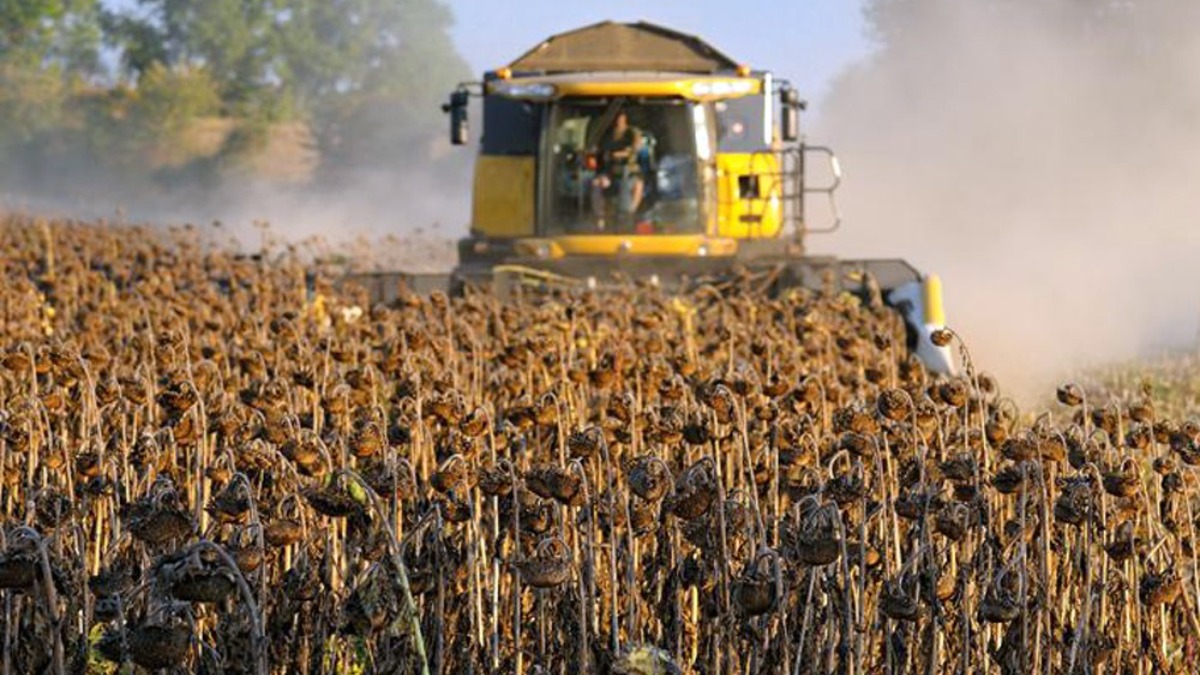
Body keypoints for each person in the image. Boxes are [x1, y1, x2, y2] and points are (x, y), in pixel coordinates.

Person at [590, 111, 644, 229]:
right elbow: (599, 151)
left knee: (638, 186)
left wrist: (622, 154)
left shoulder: (633, 132)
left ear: (624, 118)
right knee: (596, 184)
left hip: (629, 171)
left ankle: (629, 213)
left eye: (620, 117)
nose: (617, 120)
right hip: (610, 171)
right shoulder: (607, 134)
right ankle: (600, 218)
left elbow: (636, 147)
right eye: (615, 117)